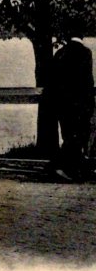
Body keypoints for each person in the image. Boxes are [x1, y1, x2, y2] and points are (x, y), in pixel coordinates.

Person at [46, 28, 94, 181]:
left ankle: (69, 169)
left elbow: (53, 80)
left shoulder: (60, 53)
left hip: (61, 104)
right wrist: (90, 103)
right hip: (79, 104)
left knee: (68, 135)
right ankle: (58, 166)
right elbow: (87, 81)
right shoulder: (85, 53)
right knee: (77, 136)